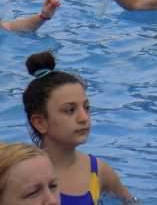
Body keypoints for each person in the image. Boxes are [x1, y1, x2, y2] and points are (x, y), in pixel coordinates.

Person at [22, 51, 133, 203]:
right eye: (69, 110)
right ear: (40, 122)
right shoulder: (22, 175)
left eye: (86, 108)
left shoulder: (98, 171)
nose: (84, 118)